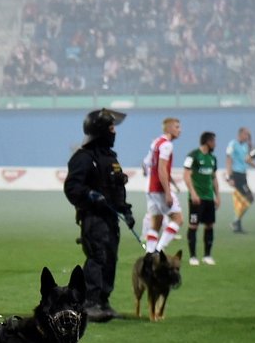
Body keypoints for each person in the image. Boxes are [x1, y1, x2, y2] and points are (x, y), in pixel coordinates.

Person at [64, 108, 133, 323]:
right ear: (101, 130)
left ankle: (103, 301)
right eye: (111, 127)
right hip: (93, 218)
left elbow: (117, 187)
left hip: (111, 218)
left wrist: (126, 209)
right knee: (98, 258)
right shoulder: (84, 157)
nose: (114, 132)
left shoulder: (110, 157)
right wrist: (90, 195)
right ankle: (88, 303)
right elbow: (73, 187)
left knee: (110, 258)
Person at [144, 118, 183, 254]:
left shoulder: (156, 142)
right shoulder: (167, 145)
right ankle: (159, 250)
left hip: (150, 188)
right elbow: (162, 169)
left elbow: (146, 163)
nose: (180, 130)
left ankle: (149, 253)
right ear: (169, 128)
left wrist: (171, 182)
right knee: (178, 219)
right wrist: (167, 191)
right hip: (159, 188)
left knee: (156, 222)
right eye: (177, 127)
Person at [183, 132, 220, 266]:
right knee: (193, 225)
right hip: (196, 198)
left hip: (209, 198)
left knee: (209, 225)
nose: (215, 144)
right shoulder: (193, 156)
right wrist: (193, 193)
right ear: (208, 142)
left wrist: (217, 196)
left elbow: (214, 178)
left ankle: (207, 255)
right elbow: (186, 176)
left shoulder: (213, 158)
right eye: (214, 141)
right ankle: (193, 256)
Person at [224, 127, 255, 233]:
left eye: (248, 135)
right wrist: (229, 177)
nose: (247, 137)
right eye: (246, 134)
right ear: (240, 134)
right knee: (249, 198)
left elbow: (251, 157)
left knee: (244, 200)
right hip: (236, 175)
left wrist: (250, 141)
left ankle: (237, 223)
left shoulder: (246, 145)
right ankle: (236, 222)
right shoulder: (232, 144)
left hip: (243, 175)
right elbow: (228, 160)